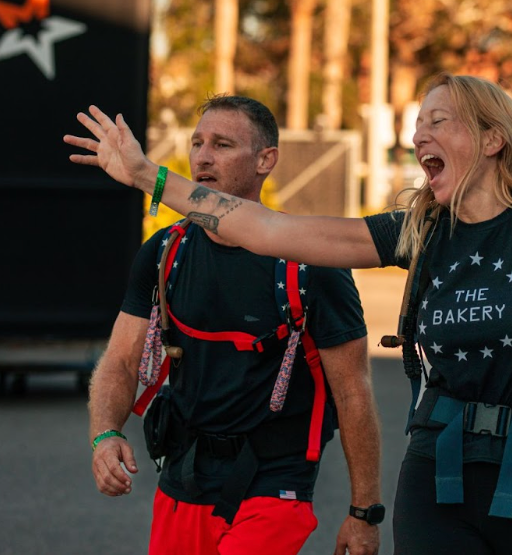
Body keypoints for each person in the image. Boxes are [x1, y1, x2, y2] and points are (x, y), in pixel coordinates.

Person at [67, 43, 512, 555]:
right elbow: (265, 229)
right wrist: (149, 176)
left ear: (493, 138)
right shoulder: (417, 231)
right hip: (437, 477)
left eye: (438, 122)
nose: (419, 138)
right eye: (417, 126)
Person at [85, 95, 382, 555]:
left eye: (222, 145)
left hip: (275, 484)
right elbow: (121, 361)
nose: (203, 157)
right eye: (197, 143)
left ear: (266, 160)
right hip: (184, 476)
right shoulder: (165, 252)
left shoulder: (312, 263)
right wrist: (105, 434)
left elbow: (353, 392)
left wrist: (364, 513)